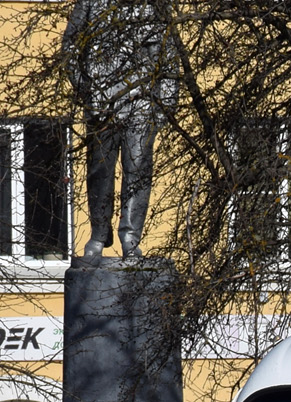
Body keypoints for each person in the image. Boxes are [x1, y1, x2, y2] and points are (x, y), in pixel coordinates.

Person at [63, 0, 178, 258]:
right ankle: (99, 233)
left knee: (138, 170)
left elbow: (168, 52)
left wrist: (167, 102)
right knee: (99, 170)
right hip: (101, 103)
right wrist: (85, 87)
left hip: (142, 102)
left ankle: (130, 237)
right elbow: (70, 44)